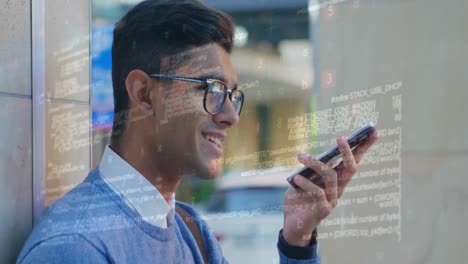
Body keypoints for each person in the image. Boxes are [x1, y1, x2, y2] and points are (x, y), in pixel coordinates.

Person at [17, 0, 378, 263]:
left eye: (232, 95)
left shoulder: (191, 229)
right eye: (210, 89)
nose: (230, 116)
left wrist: (296, 242)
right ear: (144, 94)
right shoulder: (74, 248)